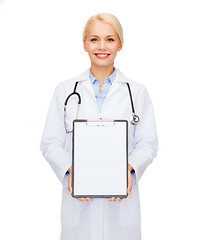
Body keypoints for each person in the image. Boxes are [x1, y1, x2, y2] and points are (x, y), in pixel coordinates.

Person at [40, 12, 158, 240]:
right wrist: (71, 171)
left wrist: (129, 169)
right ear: (84, 44)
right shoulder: (65, 91)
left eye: (110, 39)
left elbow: (148, 144)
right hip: (79, 204)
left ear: (120, 44)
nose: (101, 46)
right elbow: (50, 143)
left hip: (122, 207)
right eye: (94, 39)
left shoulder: (137, 93)